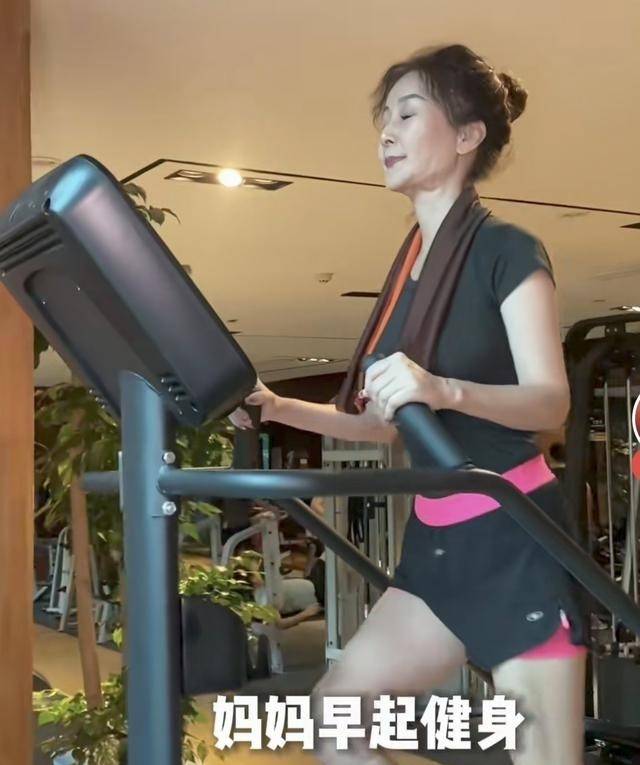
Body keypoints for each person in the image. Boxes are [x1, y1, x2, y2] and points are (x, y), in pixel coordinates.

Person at [230, 44, 586, 765]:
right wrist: (277, 407)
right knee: (335, 719)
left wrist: (443, 388)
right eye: (383, 118)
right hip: (436, 547)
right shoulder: (406, 272)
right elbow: (383, 425)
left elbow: (551, 403)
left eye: (407, 113)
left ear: (467, 135)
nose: (385, 133)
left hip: (514, 540)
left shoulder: (508, 250)